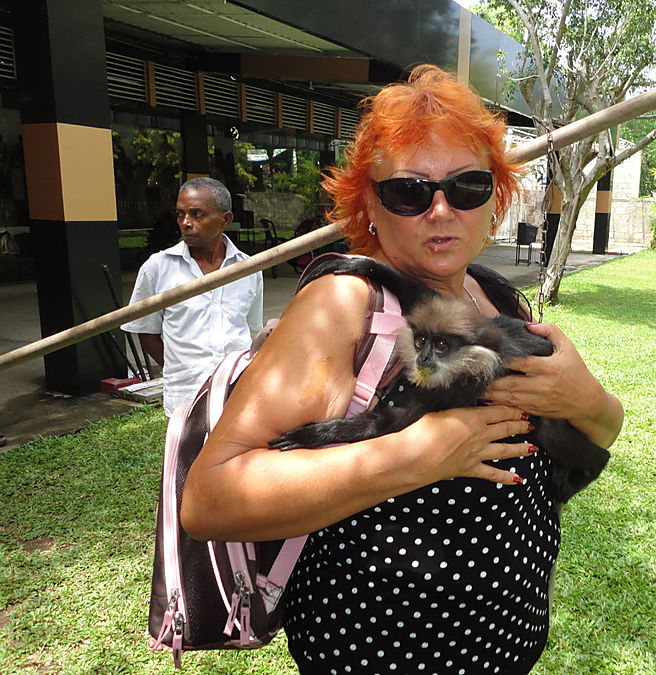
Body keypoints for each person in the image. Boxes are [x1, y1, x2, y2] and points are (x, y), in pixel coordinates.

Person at [181, 65, 623, 674]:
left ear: (496, 195)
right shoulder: (345, 307)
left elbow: (587, 442)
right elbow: (209, 500)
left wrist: (588, 399)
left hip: (507, 648)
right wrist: (417, 457)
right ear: (368, 201)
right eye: (409, 192)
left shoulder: (493, 297)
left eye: (466, 187)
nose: (441, 211)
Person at [122, 177, 263, 417]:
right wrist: (179, 369)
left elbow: (250, 328)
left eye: (197, 214)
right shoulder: (158, 268)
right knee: (190, 455)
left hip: (237, 389)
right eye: (180, 214)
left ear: (225, 220)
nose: (186, 223)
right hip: (186, 393)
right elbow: (146, 332)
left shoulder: (249, 269)